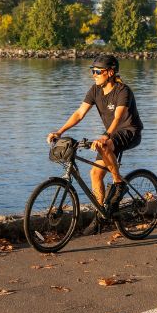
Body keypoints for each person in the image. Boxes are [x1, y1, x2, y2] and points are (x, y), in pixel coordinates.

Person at [47, 54, 143, 212]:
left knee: (105, 144)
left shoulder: (123, 91)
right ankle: (101, 214)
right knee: (95, 174)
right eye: (93, 71)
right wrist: (60, 131)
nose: (94, 75)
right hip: (111, 134)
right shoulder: (95, 90)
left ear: (110, 73)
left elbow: (118, 117)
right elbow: (79, 113)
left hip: (129, 132)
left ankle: (118, 184)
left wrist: (106, 136)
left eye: (98, 72)